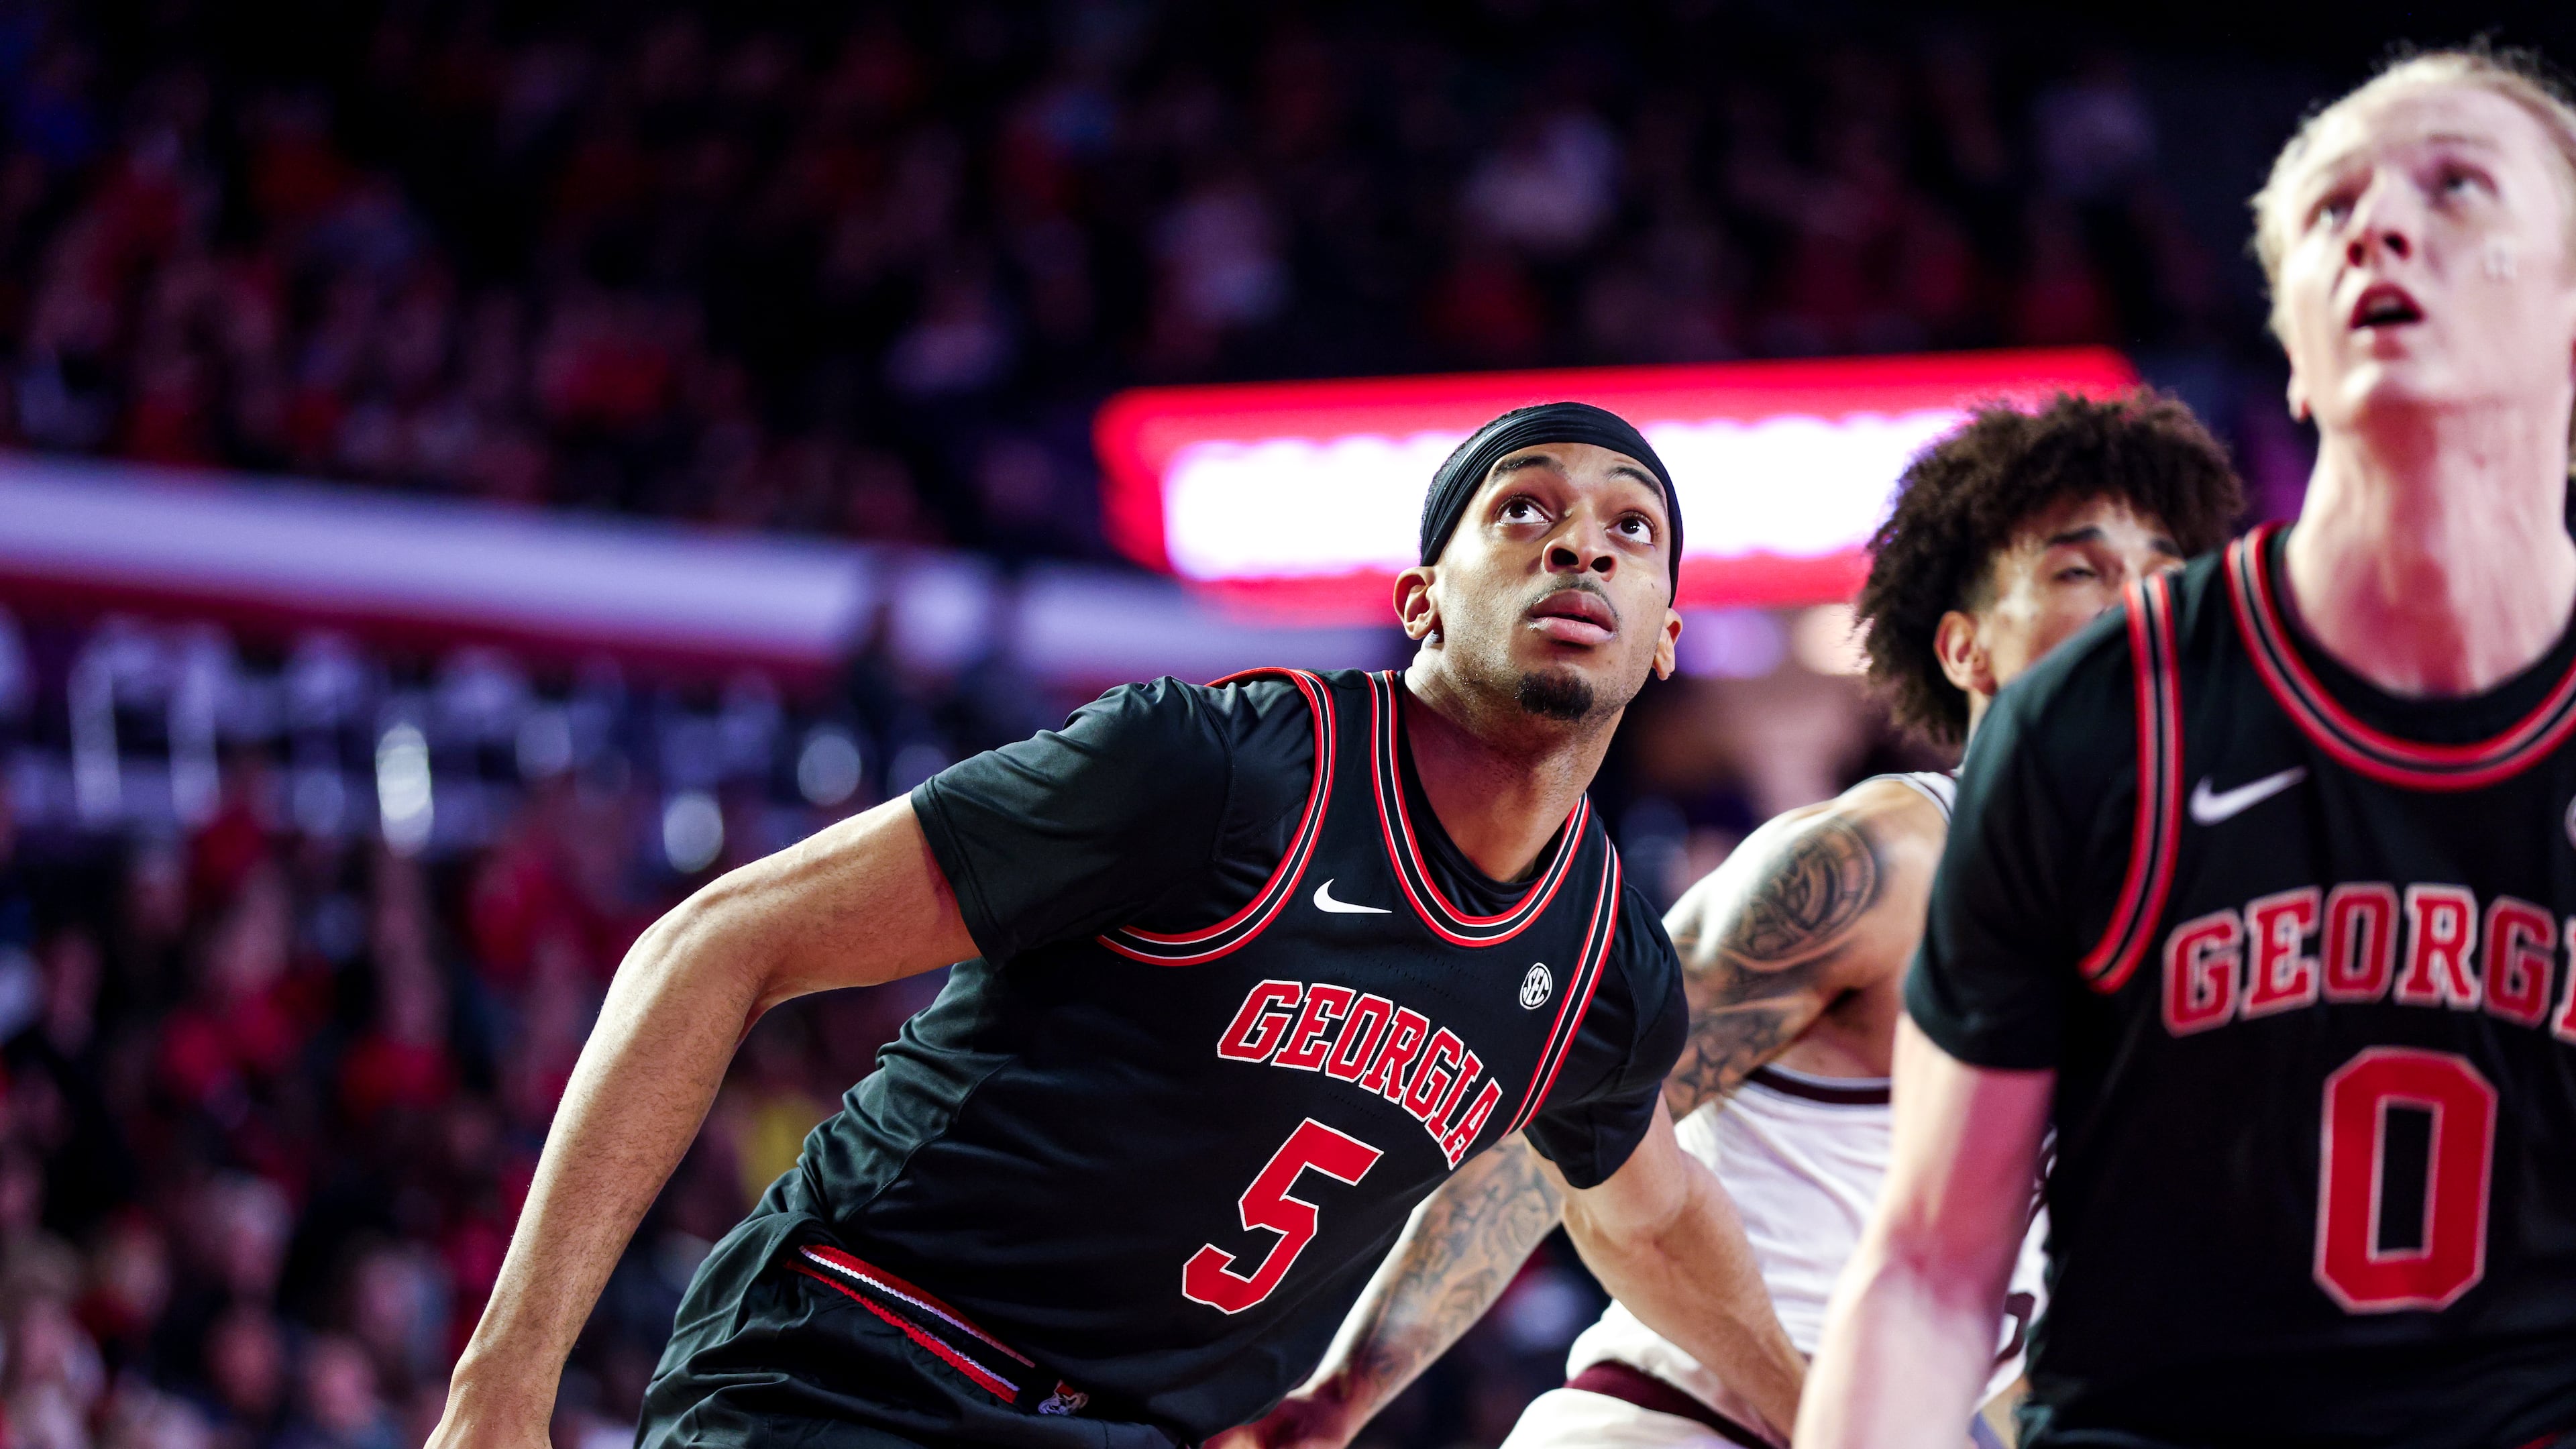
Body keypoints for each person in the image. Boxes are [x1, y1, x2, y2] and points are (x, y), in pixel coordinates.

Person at [425, 400, 1807, 1449]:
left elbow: (1651, 1218)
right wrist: (506, 1377)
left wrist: (1832, 1420)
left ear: (1666, 637)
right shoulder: (1221, 771)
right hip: (862, 1362)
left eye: (1631, 529)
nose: (1581, 542)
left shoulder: (1601, 970)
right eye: (1523, 509)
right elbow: (718, 942)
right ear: (1420, 602)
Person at [1799, 49, 2576, 1449]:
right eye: (2332, 208)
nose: (2380, 227)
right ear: (2296, 351)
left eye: (2457, 184)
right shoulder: (2100, 720)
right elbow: (1930, 1272)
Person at [1224, 394, 2242, 1449]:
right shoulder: (1876, 865)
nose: (2138, 606)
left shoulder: (2165, 957)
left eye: (2165, 576)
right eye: (2082, 572)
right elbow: (1555, 1142)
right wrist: (1343, 1396)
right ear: (1965, 648)